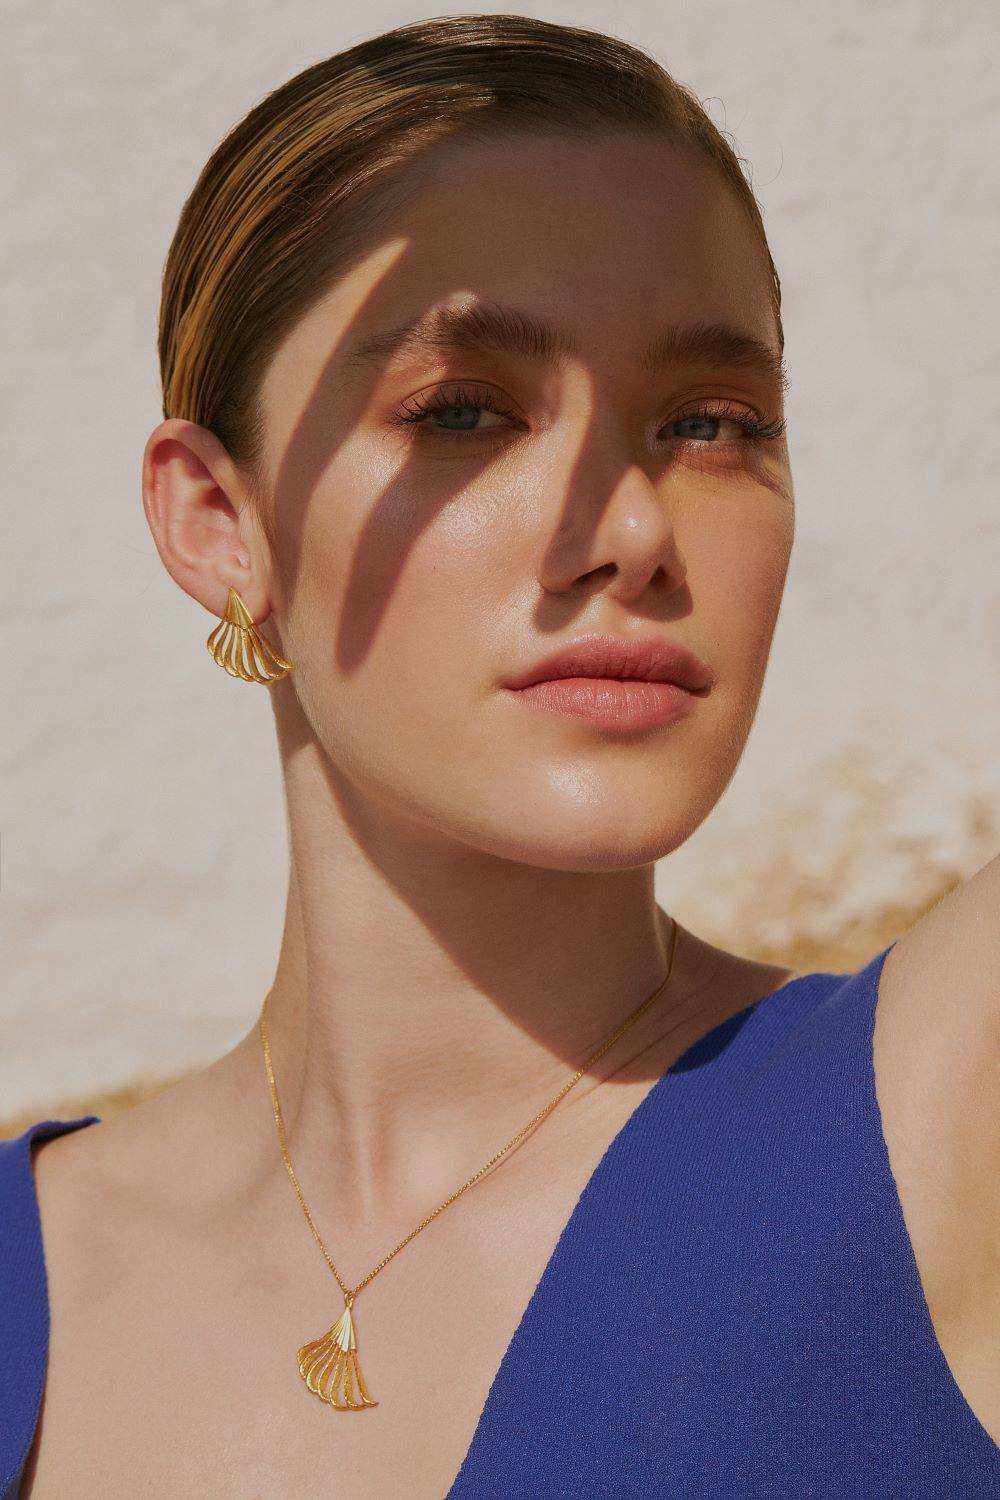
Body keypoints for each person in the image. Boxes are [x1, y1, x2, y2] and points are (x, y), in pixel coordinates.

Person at [2, 13, 997, 1497]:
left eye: (713, 422)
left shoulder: (944, 1111)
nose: (634, 530)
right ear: (221, 524)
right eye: (464, 411)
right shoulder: (31, 1264)